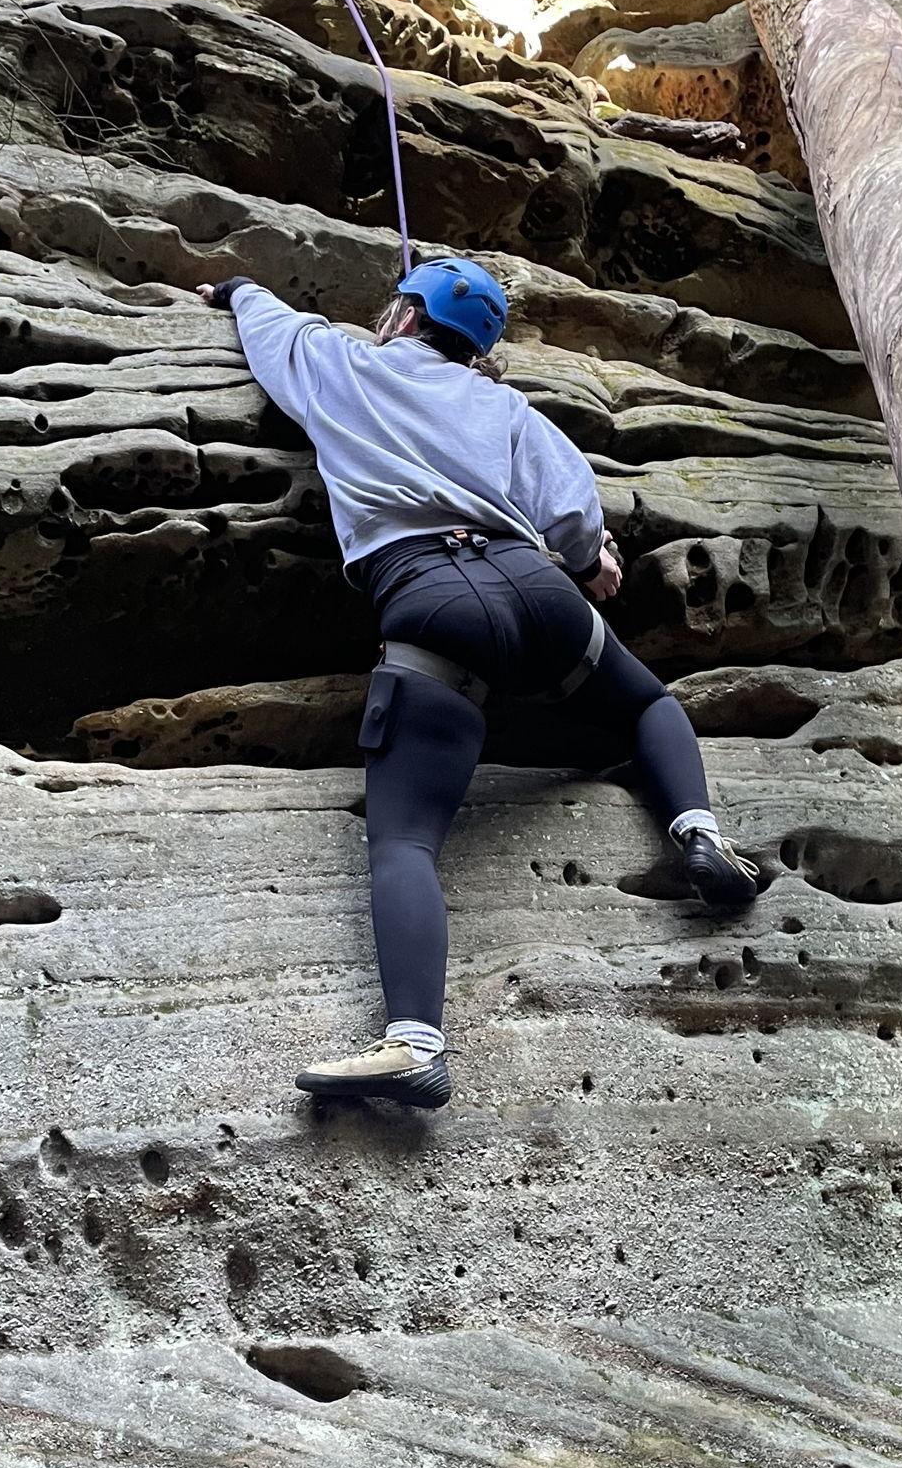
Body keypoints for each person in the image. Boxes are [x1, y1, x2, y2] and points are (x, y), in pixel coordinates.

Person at [198, 258, 761, 1110]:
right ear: (476, 347)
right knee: (646, 701)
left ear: (402, 317)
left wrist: (240, 287)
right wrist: (590, 562)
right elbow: (571, 511)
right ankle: (700, 834)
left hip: (430, 599)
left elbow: (272, 328)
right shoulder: (504, 405)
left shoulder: (339, 364)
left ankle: (414, 1045)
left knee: (405, 839)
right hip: (537, 589)